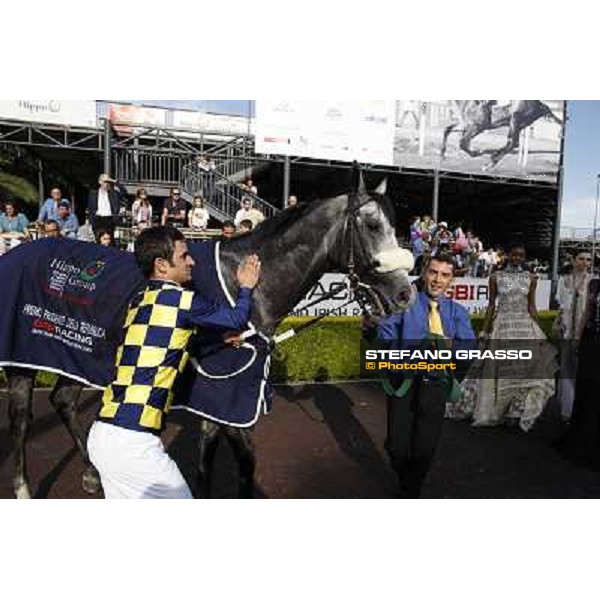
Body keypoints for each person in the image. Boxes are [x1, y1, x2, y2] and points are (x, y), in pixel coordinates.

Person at [86, 226, 261, 499]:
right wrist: (246, 287)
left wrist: (217, 340)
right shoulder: (181, 299)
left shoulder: (140, 300)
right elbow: (237, 319)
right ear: (162, 265)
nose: (192, 262)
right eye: (184, 256)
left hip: (101, 435)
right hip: (133, 444)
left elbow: (170, 342)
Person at [364, 253, 475, 498]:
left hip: (435, 385)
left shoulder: (458, 313)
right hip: (403, 383)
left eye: (445, 275)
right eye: (433, 272)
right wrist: (372, 331)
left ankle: (411, 491)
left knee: (424, 450)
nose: (438, 279)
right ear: (425, 274)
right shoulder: (404, 305)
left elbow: (469, 349)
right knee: (396, 447)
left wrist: (449, 348)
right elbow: (384, 335)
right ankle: (408, 482)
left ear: (451, 281)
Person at [448, 244, 556, 431]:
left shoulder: (531, 278)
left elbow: (531, 306)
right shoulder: (495, 277)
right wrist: (484, 329)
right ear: (508, 256)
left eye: (520, 255)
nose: (517, 258)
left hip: (524, 327)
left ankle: (516, 410)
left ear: (524, 257)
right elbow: (491, 305)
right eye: (514, 255)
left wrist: (539, 330)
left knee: (523, 370)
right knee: (500, 370)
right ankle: (498, 410)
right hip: (502, 326)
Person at [555, 277, 600, 467]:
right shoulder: (595, 284)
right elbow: (587, 313)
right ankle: (585, 434)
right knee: (588, 387)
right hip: (592, 341)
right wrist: (577, 338)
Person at [553, 251, 593, 420]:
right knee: (567, 369)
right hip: (567, 329)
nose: (585, 262)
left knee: (584, 371)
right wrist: (558, 321)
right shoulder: (564, 281)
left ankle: (583, 410)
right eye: (581, 259)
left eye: (588, 260)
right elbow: (562, 307)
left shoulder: (594, 281)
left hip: (587, 331)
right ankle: (567, 411)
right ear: (574, 260)